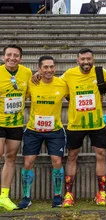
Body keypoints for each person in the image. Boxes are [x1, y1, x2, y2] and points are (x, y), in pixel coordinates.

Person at [61, 48, 106, 207]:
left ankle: (101, 193)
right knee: (72, 156)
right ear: (77, 60)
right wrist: (38, 76)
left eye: (89, 59)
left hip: (97, 123)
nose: (86, 62)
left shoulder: (100, 72)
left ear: (93, 59)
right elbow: (54, 84)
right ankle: (68, 194)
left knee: (101, 154)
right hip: (76, 124)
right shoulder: (69, 74)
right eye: (82, 59)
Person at [18, 56, 68, 209]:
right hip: (34, 130)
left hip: (55, 130)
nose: (49, 70)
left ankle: (57, 196)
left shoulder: (62, 83)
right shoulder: (33, 83)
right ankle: (26, 197)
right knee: (28, 162)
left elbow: (73, 99)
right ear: (39, 69)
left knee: (57, 161)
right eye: (45, 67)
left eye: (51, 67)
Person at [0, 45, 31, 211]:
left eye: (16, 55)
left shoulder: (26, 72)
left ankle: (4, 196)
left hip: (16, 123)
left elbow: (28, 92)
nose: (12, 58)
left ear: (21, 58)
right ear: (4, 56)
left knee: (11, 157)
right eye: (9, 55)